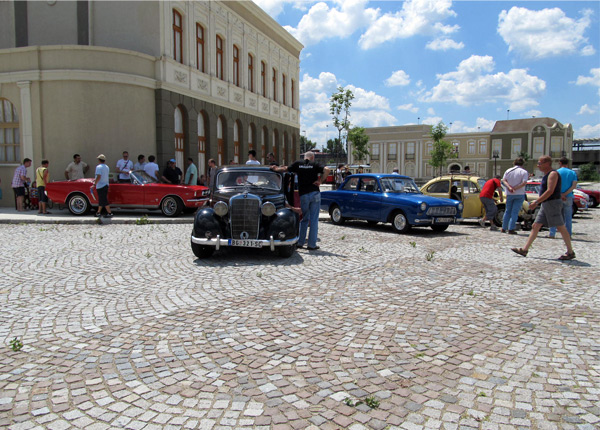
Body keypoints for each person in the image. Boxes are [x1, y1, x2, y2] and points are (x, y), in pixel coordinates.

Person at [511, 155, 575, 260]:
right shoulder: (547, 174)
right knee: (536, 225)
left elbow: (550, 191)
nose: (538, 165)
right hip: (546, 204)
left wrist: (536, 202)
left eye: (540, 163)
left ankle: (570, 251)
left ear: (546, 164)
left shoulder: (553, 174)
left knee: (561, 227)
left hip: (552, 203)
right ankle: (525, 250)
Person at [271, 151, 329, 250]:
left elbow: (285, 169)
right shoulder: (314, 164)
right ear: (312, 158)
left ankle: (300, 243)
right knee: (314, 220)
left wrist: (275, 168)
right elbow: (327, 169)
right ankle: (311, 245)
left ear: (305, 157)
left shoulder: (298, 164)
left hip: (304, 195)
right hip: (314, 193)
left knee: (305, 218)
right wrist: (320, 181)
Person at [548, 157, 578, 239]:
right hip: (568, 197)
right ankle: (568, 234)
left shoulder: (556, 172)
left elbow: (552, 186)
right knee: (568, 216)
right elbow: (574, 186)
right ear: (567, 163)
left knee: (555, 215)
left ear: (560, 163)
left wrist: (561, 194)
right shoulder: (572, 173)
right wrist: (565, 194)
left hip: (557, 196)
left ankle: (552, 233)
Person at [501, 157, 529, 234]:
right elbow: (524, 183)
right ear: (523, 164)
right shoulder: (524, 172)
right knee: (515, 211)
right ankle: (511, 228)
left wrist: (510, 187)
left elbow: (504, 180)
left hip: (509, 193)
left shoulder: (508, 170)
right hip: (519, 193)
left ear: (514, 163)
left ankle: (503, 227)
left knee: (507, 211)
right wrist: (515, 188)